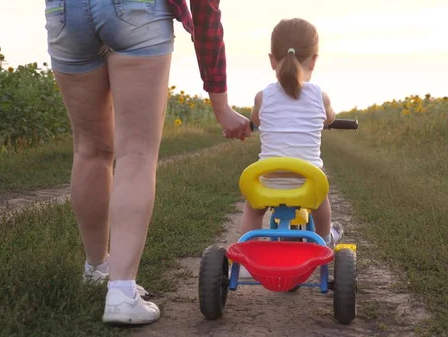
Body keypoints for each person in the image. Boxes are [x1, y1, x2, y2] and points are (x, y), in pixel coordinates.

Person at [43, 0, 250, 325]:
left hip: (66, 10)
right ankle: (122, 292)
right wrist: (221, 105)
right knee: (136, 152)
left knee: (89, 149)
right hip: (136, 11)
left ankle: (97, 268)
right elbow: (205, 12)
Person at [237, 18, 344, 278]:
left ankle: (245, 254)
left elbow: (257, 120)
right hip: (307, 183)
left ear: (272, 59)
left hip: (269, 182)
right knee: (321, 198)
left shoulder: (263, 96)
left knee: (253, 206)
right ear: (313, 60)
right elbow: (329, 118)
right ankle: (324, 238)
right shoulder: (321, 96)